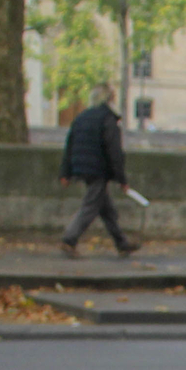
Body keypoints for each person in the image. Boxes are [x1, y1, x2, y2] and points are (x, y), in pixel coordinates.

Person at [59, 82, 139, 257]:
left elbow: (69, 146)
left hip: (82, 167)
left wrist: (65, 172)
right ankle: (69, 239)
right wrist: (122, 179)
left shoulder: (81, 118)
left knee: (107, 210)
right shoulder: (108, 119)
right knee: (90, 206)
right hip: (98, 169)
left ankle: (121, 243)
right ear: (109, 99)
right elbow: (114, 151)